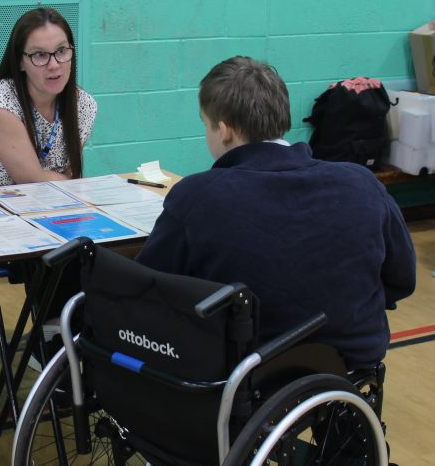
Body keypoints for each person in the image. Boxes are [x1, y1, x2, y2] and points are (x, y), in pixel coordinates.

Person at [137, 56, 416, 369]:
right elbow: (402, 280)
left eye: (206, 124)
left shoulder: (198, 195)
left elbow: (150, 291)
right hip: (349, 365)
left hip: (242, 373)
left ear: (225, 130)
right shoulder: (362, 183)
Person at [0, 7, 97, 189]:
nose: (54, 65)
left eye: (61, 51)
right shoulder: (0, 103)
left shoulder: (83, 105)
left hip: (50, 204)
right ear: (20, 61)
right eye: (40, 55)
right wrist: (81, 186)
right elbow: (30, 181)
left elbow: (70, 172)